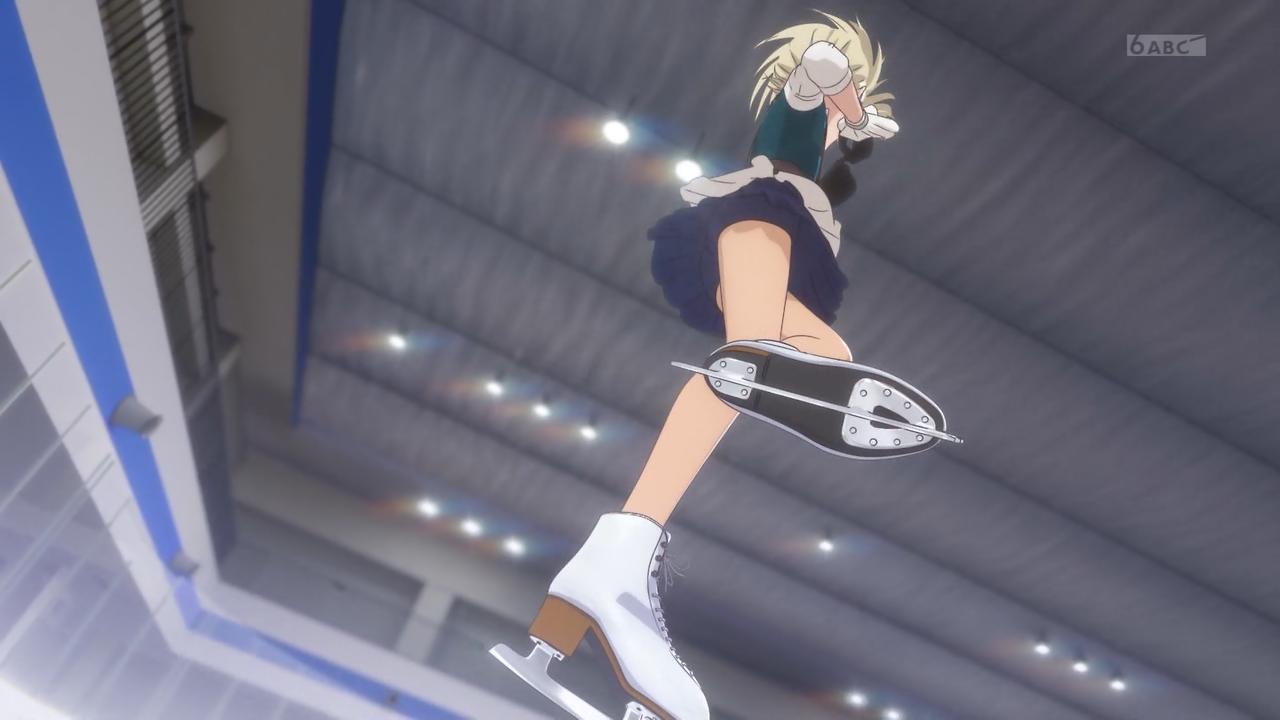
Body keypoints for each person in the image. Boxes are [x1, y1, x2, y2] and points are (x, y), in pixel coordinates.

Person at [492, 13, 950, 720]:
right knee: (753, 362)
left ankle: (613, 560)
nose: (839, 131)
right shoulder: (801, 100)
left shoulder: (815, 149)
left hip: (768, 241)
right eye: (839, 117)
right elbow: (824, 59)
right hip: (757, 224)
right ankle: (617, 565)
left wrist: (851, 130)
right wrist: (856, 112)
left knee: (817, 361)